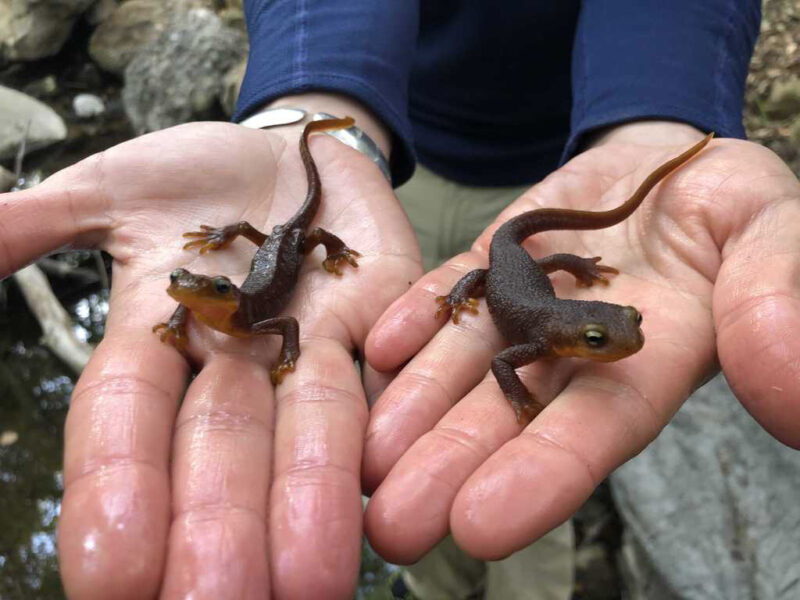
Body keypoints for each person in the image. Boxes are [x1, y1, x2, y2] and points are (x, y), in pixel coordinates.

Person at [2, 2, 798, 599]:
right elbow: (497, 296)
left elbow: (506, 344)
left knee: (509, 478)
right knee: (391, 426)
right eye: (604, 341)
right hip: (389, 171)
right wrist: (321, 106)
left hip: (572, 145)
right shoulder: (534, 334)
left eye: (609, 340)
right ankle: (433, 580)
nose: (613, 347)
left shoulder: (542, 338)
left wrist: (658, 118)